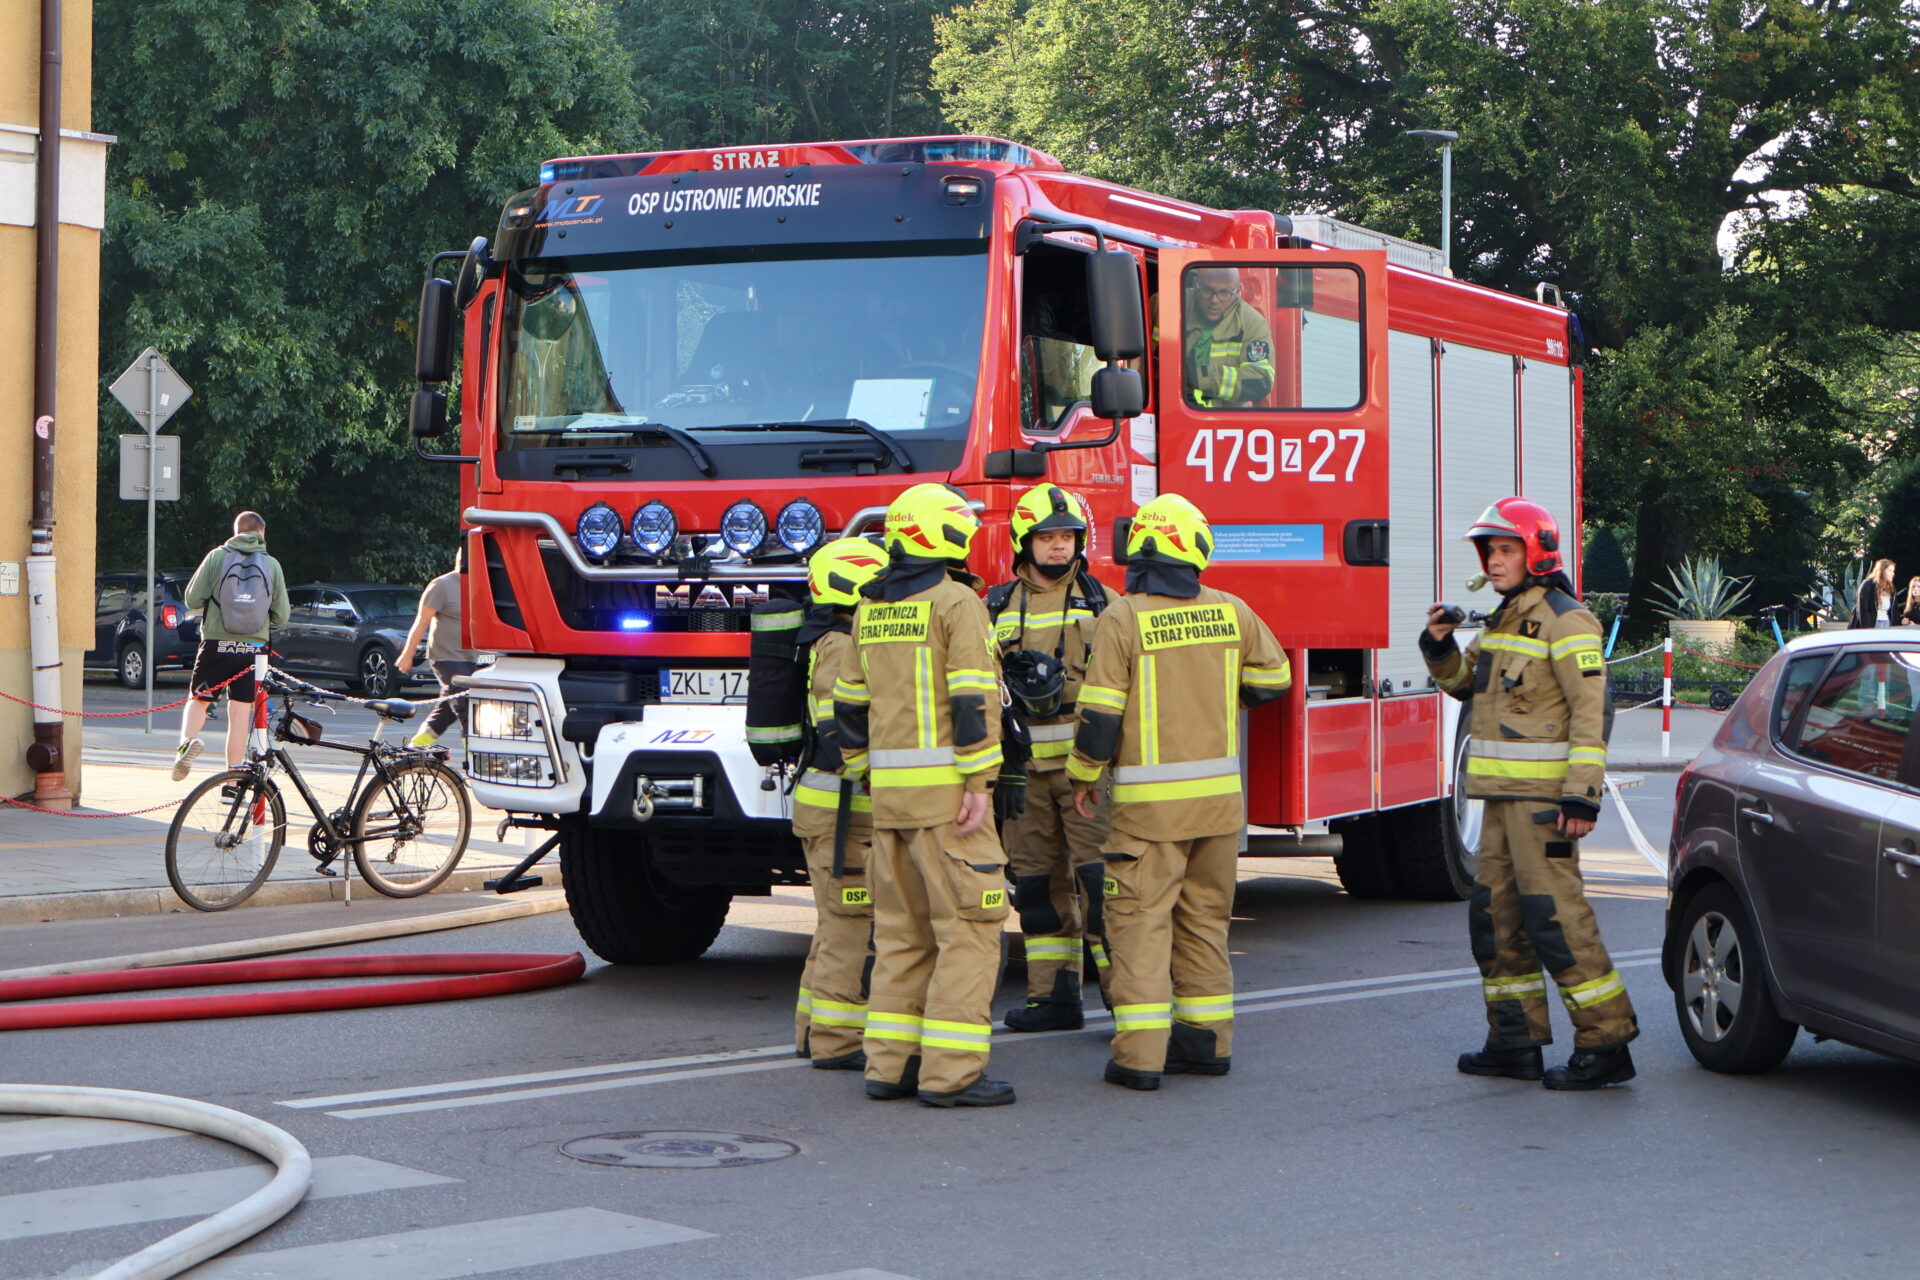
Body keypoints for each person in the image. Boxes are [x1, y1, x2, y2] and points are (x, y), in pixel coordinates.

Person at [1067, 494, 1291, 1090]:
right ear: (1195, 549)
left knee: (1139, 928)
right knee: (1205, 924)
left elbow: (1100, 715)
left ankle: (1140, 1058)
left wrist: (1083, 775)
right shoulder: (1230, 610)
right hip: (1217, 810)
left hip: (1149, 815)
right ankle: (1205, 1043)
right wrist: (1219, 695)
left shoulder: (1124, 616)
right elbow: (1275, 679)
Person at [1422, 497, 1638, 1090]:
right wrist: (1438, 644)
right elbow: (1464, 684)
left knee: (1557, 921)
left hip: (1544, 806)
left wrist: (1581, 797)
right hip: (1499, 800)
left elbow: (1592, 712)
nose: (1494, 561)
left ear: (1536, 553)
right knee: (1495, 922)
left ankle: (1607, 1043)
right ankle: (1514, 1044)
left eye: (1505, 549)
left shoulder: (1568, 620)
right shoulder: (1505, 618)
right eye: (1489, 550)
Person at [833, 483, 1015, 1108]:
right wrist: (980, 782)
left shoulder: (869, 608)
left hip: (890, 805)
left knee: (900, 937)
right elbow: (973, 698)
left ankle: (889, 1067)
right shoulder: (956, 602)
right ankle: (951, 1074)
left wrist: (864, 770)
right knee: (968, 932)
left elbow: (848, 706)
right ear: (946, 535)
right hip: (949, 806)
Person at [987, 483, 1115, 1032]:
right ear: (1025, 542)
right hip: (1024, 775)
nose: (1059, 546)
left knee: (1102, 887)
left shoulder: (1105, 603)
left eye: (1067, 536)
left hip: (1087, 774)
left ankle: (1128, 1001)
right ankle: (1053, 998)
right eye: (1047, 537)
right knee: (1038, 888)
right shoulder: (993, 607)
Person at [790, 537, 889, 1071]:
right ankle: (837, 1039)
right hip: (841, 809)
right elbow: (838, 730)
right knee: (851, 923)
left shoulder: (831, 638)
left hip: (834, 808)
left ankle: (812, 1030)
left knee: (835, 923)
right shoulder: (839, 644)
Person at [172, 511, 290, 780]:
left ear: (235, 532)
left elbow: (192, 599)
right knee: (239, 713)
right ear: (261, 532)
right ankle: (232, 780)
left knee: (199, 700)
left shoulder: (217, 556)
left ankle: (186, 745)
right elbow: (282, 616)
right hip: (254, 650)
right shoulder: (272, 564)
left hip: (216, 643)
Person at [397, 546, 479, 747]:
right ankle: (474, 755)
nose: (462, 564)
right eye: (460, 560)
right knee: (466, 704)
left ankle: (415, 747)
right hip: (447, 657)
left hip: (475, 657)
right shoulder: (441, 585)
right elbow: (421, 621)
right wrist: (407, 654)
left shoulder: (484, 585)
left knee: (447, 711)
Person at [1182, 266, 1275, 409]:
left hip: (1223, 419)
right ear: (1195, 284)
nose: (1214, 300)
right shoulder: (1169, 305)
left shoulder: (1252, 324)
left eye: (1224, 293)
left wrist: (1199, 376)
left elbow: (1261, 380)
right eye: (1207, 291)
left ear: (1238, 291)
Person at [1857, 558, 1898, 628]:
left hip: (1887, 623)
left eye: (1893, 571)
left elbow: (1894, 611)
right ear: (1881, 571)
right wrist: (1867, 629)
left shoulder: (1890, 588)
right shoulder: (1868, 585)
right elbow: (1863, 609)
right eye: (1890, 571)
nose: (1893, 573)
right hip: (1873, 623)